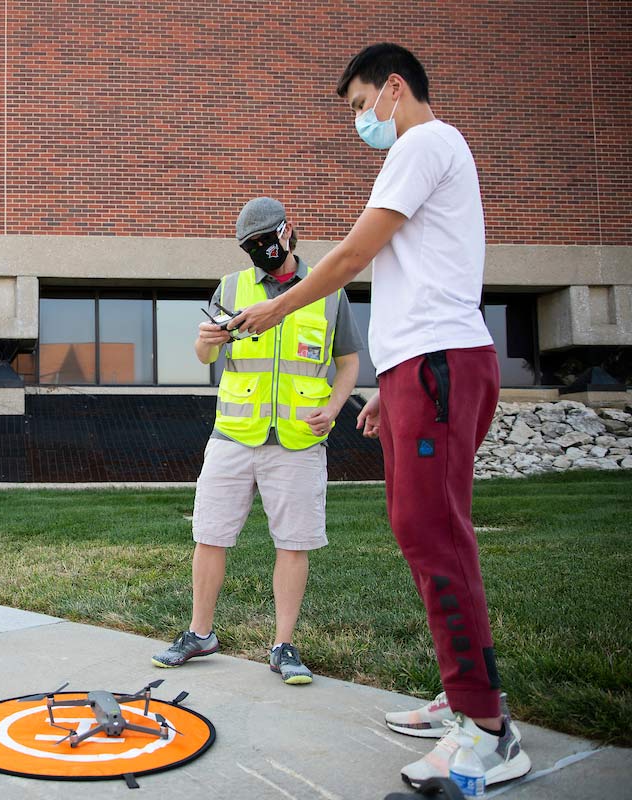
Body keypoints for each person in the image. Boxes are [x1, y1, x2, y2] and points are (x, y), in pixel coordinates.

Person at [230, 44, 532, 788]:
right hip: (418, 370)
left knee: (435, 534)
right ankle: (463, 697)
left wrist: (276, 309)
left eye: (363, 105)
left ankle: (490, 731)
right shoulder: (428, 152)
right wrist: (388, 392)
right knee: (420, 531)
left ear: (395, 89)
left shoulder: (423, 141)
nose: (362, 121)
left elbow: (351, 255)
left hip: (440, 363)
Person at [151, 196, 361, 687]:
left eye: (266, 241)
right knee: (210, 533)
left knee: (293, 541)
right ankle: (199, 633)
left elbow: (348, 360)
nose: (261, 252)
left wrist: (333, 409)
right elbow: (204, 354)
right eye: (251, 246)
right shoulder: (232, 286)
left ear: (288, 233)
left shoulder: (327, 290)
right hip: (233, 434)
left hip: (298, 438)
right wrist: (207, 339)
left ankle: (283, 645)